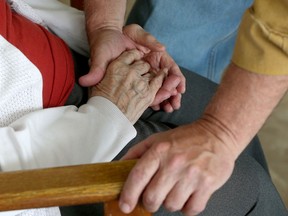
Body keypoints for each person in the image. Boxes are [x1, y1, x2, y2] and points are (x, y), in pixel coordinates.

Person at [77, 0, 288, 215]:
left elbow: (280, 21)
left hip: (67, 74)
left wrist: (105, 27)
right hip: (67, 122)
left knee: (237, 134)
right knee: (251, 189)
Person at [0, 0, 165, 215]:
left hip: (81, 55)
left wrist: (103, 29)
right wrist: (104, 118)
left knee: (205, 109)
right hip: (58, 158)